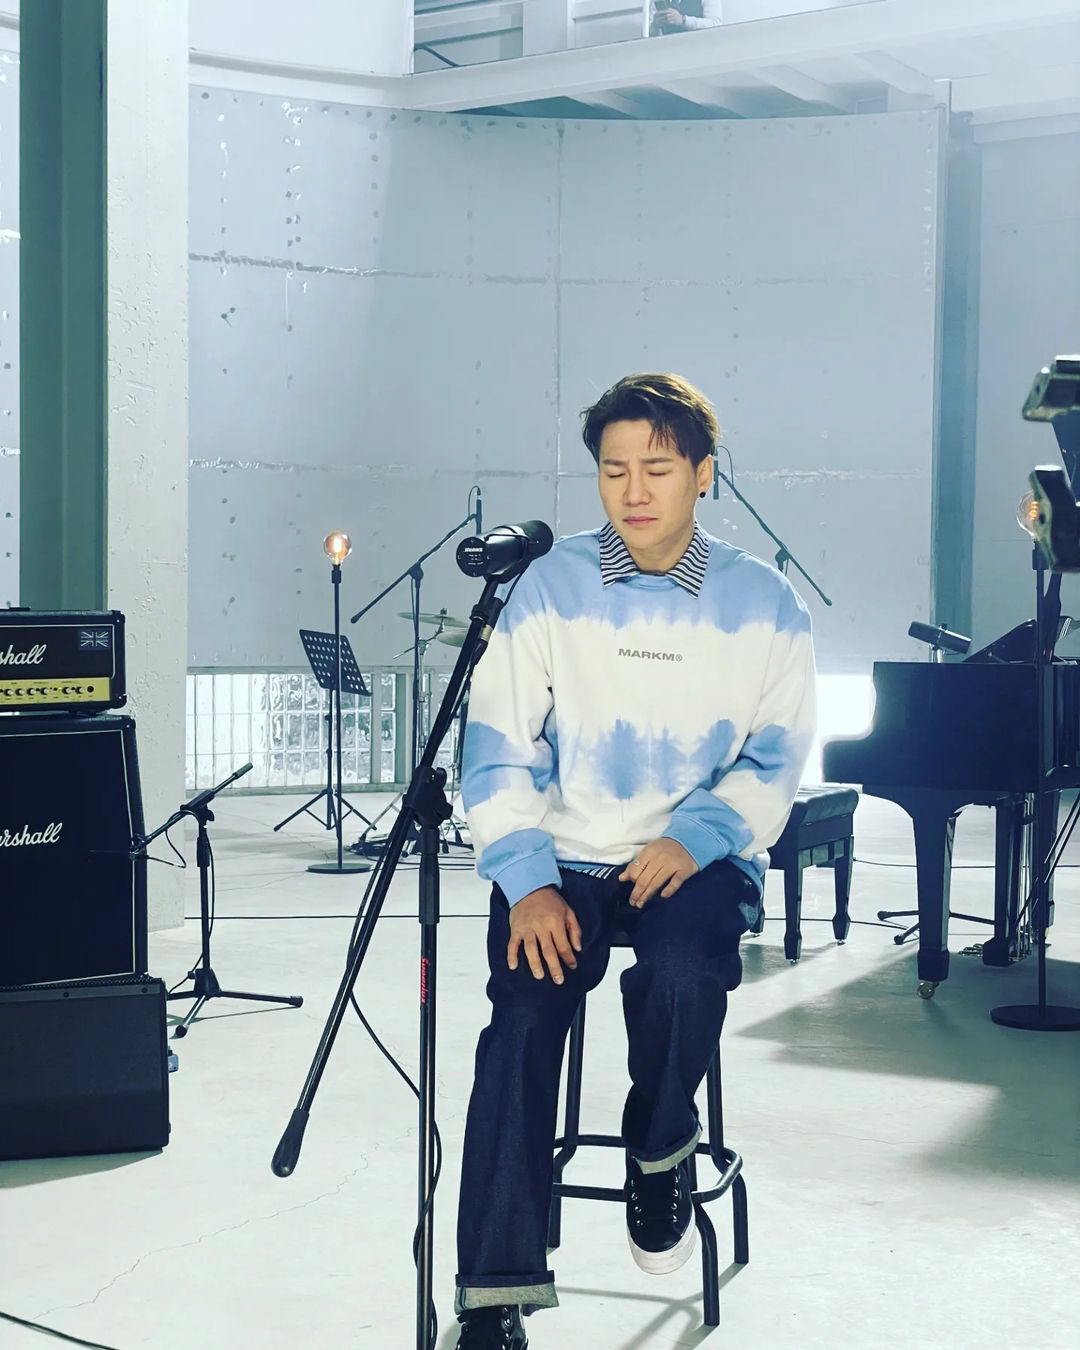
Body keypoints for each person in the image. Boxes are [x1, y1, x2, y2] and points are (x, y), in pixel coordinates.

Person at [453, 373, 816, 1348]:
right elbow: (495, 745)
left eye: (658, 467)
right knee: (521, 1025)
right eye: (614, 469)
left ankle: (659, 1148)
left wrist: (694, 837)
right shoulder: (548, 586)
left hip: (693, 859)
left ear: (703, 475)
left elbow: (778, 756)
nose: (635, 489)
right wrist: (526, 878)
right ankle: (493, 1296)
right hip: (561, 859)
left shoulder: (765, 602)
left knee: (684, 970)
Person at [651, 1, 724, 36]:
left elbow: (716, 24)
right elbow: (648, 35)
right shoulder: (656, 1)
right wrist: (655, 26)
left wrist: (684, 20)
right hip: (668, 52)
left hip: (701, 50)